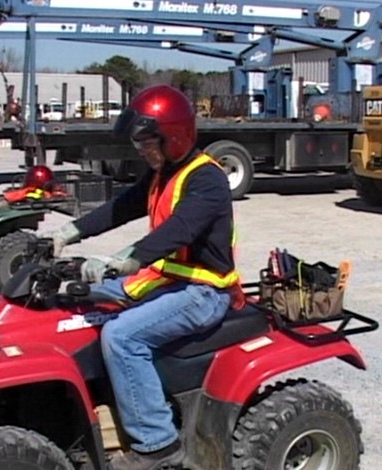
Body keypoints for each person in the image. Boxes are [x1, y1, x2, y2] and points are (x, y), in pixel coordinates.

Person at [50, 85, 243, 470]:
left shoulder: (207, 179)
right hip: (167, 281)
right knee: (78, 301)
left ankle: (157, 444)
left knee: (121, 336)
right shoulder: (162, 173)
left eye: (147, 143)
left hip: (204, 292)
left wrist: (128, 257)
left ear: (174, 137)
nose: (142, 151)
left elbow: (181, 230)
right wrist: (72, 231)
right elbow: (121, 207)